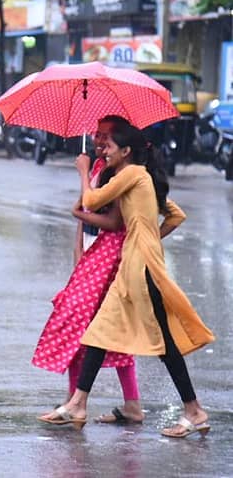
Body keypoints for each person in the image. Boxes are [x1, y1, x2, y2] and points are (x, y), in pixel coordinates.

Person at [38, 122, 215, 437]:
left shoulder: (132, 174)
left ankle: (194, 410)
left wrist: (82, 171)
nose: (105, 150)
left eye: (110, 147)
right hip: (133, 265)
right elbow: (175, 215)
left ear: (126, 151)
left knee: (163, 344)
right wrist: (149, 238)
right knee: (99, 332)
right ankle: (78, 403)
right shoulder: (140, 178)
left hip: (140, 267)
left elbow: (90, 202)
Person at [33, 116, 146, 424]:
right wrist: (78, 249)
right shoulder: (100, 168)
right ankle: (86, 402)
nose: (99, 141)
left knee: (89, 326)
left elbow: (113, 221)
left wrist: (83, 176)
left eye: (106, 137)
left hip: (111, 258)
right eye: (97, 134)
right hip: (93, 255)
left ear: (123, 147)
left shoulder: (121, 174)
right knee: (90, 326)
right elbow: (84, 211)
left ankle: (78, 403)